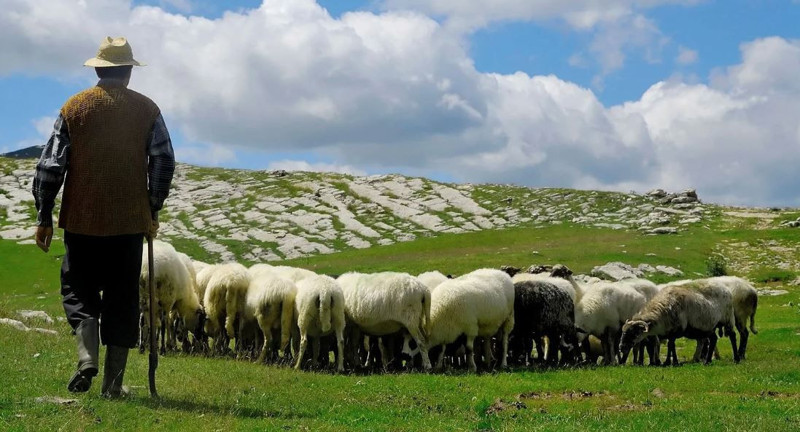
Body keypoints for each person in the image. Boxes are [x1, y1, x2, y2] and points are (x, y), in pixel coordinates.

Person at [32, 37, 175, 397]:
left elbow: (51, 165)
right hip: (128, 223)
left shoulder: (74, 108)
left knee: (77, 291)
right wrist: (152, 208)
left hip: (82, 221)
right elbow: (163, 160)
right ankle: (113, 385)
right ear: (128, 72)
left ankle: (86, 358)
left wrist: (44, 215)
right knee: (122, 297)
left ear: (98, 68)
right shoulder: (147, 110)